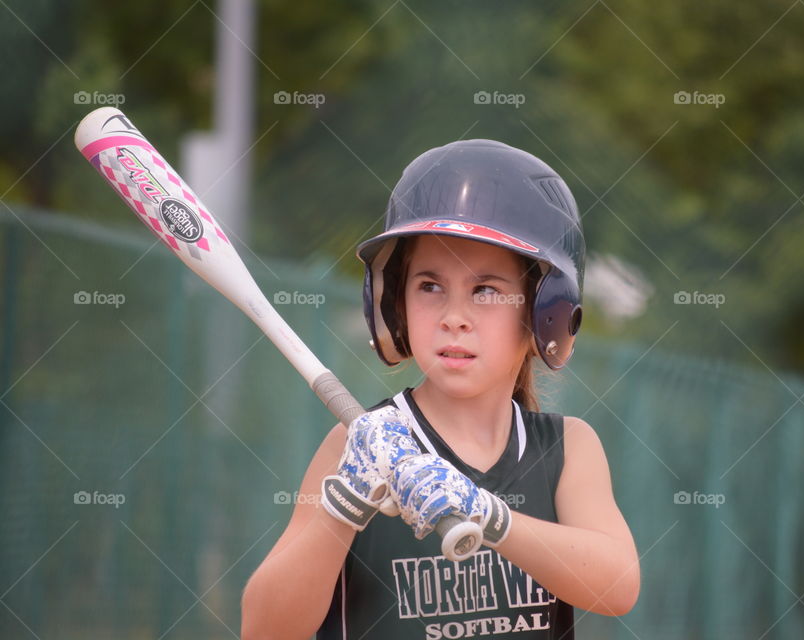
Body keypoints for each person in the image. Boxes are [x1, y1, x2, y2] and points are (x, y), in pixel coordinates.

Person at [241, 140, 640, 640]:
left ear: (543, 311)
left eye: (487, 291)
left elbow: (617, 585)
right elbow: (264, 630)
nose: (454, 318)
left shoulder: (566, 448)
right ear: (395, 304)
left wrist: (488, 515)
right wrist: (341, 510)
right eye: (430, 286)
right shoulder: (357, 447)